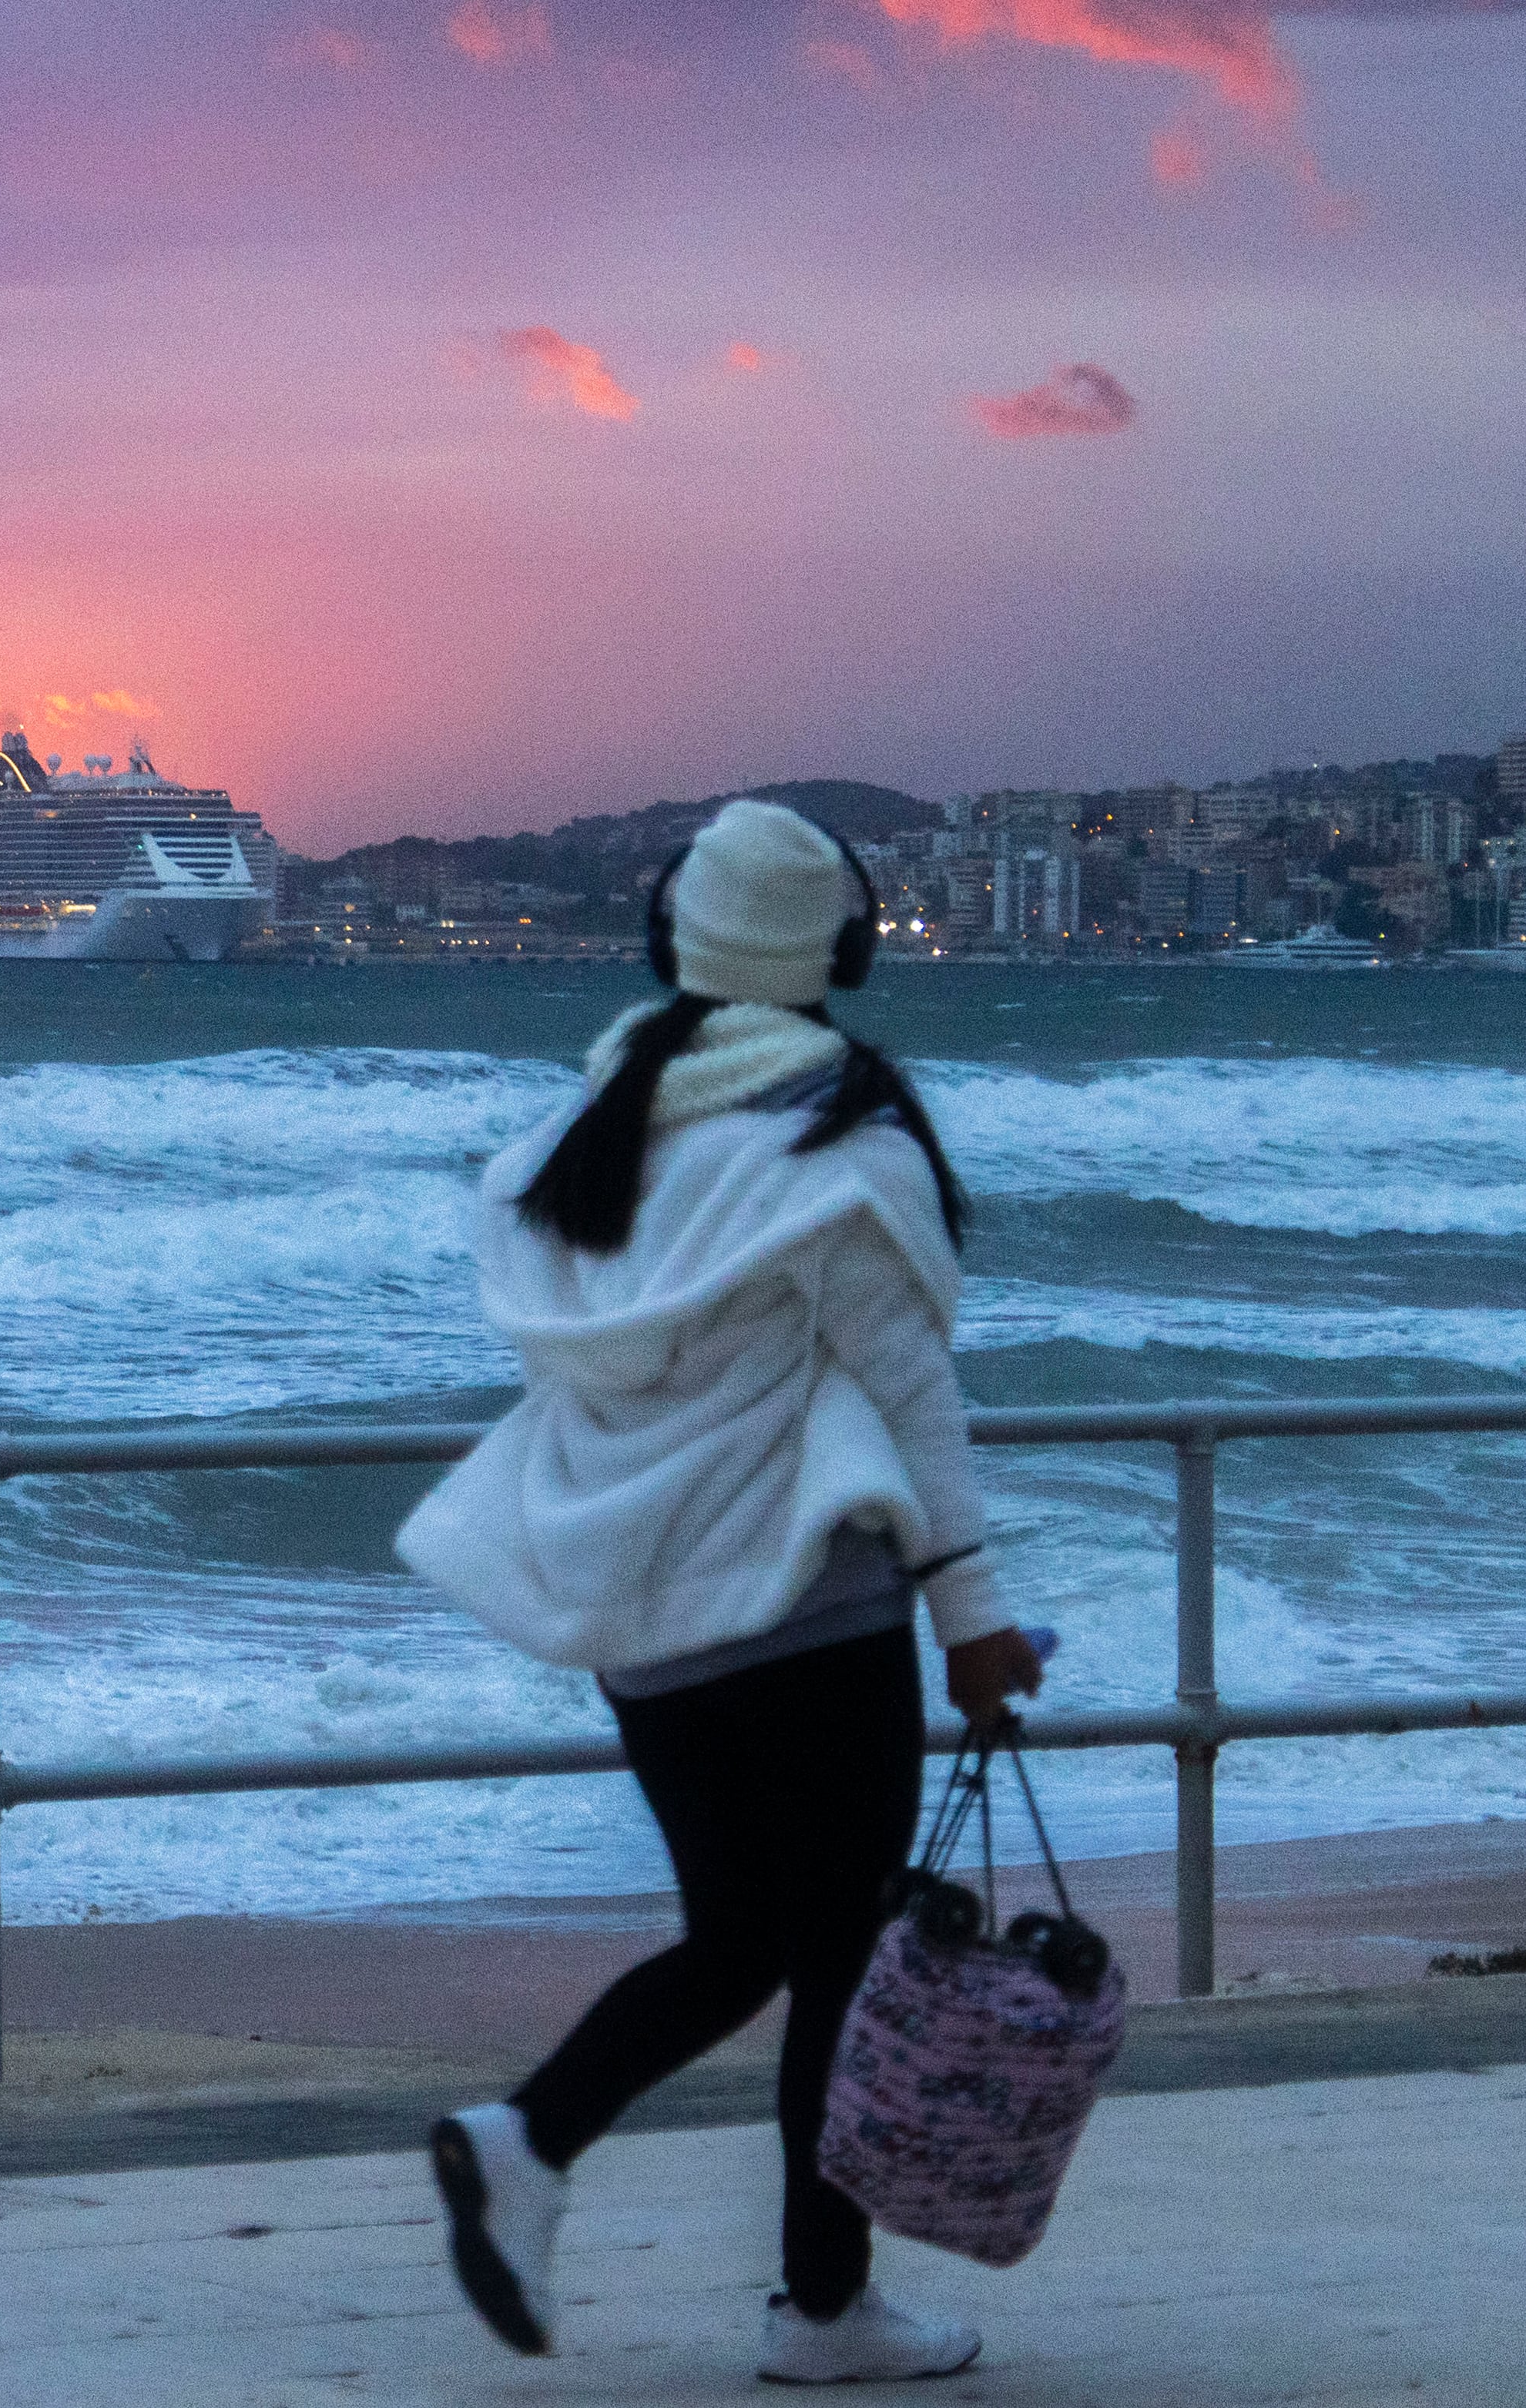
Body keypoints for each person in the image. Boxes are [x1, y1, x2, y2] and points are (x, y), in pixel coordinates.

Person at [394, 799, 1047, 2387]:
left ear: (672, 941)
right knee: (828, 1962)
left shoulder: (598, 1123)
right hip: (811, 1616)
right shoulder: (837, 1137)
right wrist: (968, 1617)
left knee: (740, 1935)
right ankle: (818, 2310)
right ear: (833, 951)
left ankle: (527, 2141)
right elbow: (909, 1393)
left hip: (643, 1609)